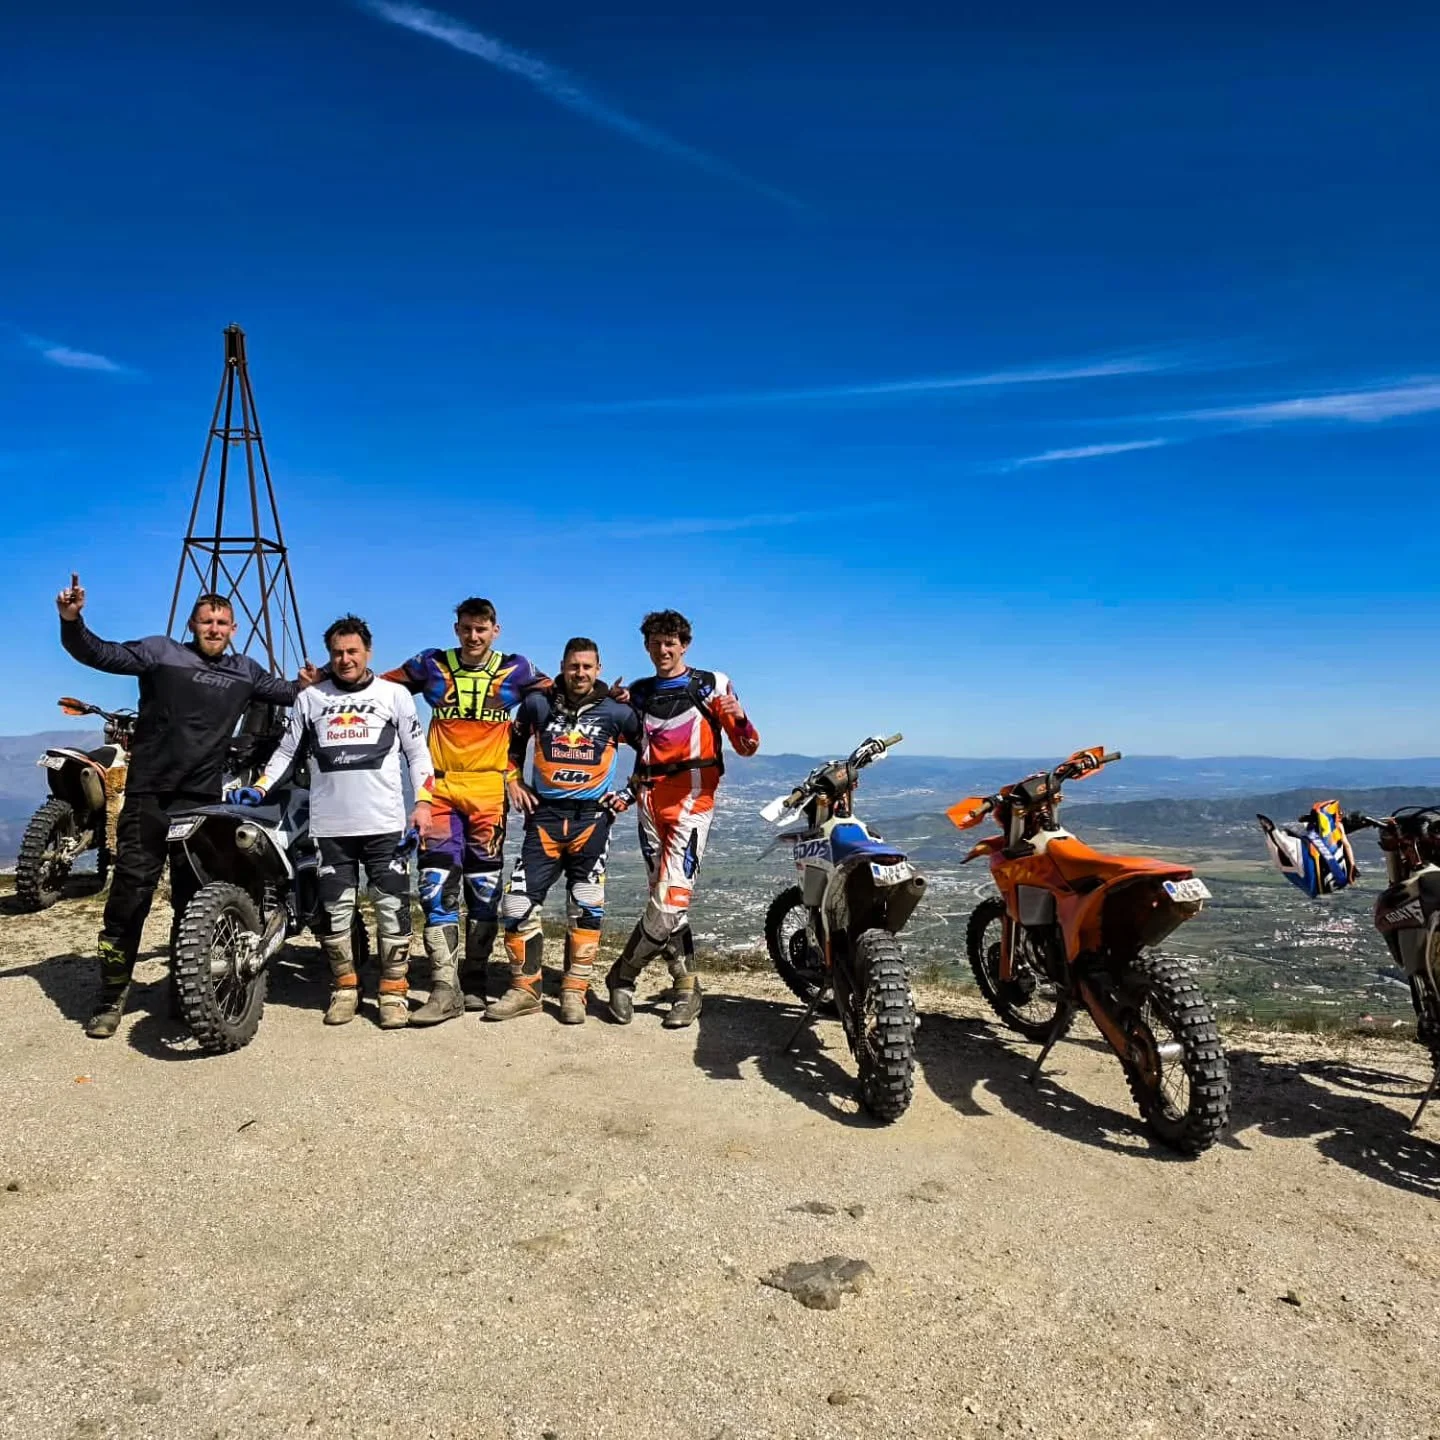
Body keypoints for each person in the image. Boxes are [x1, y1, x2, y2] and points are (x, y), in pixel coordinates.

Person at [55, 573, 316, 1038]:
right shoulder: (160, 653)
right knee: (129, 897)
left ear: (233, 629)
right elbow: (99, 653)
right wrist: (72, 621)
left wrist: (313, 682)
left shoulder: (246, 671)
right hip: (150, 797)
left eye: (223, 622)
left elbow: (296, 695)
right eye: (207, 621)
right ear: (192, 624)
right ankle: (111, 996)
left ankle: (186, 988)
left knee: (193, 899)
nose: (215, 628)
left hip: (204, 805)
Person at [238, 615, 434, 1028]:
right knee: (335, 911)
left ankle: (393, 992)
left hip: (384, 825)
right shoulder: (311, 700)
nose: (345, 660)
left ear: (368, 652)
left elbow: (418, 755)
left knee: (391, 908)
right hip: (330, 828)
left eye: (352, 652)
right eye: (337, 653)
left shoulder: (395, 695)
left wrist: (423, 804)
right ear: (330, 656)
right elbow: (285, 754)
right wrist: (259, 787)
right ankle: (344, 988)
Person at [382, 599, 546, 1021]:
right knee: (435, 884)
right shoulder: (431, 664)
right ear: (456, 629)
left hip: (490, 789)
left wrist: (615, 698)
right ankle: (443, 987)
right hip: (440, 785)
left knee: (484, 889)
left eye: (481, 629)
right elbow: (377, 686)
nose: (474, 636)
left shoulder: (518, 669)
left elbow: (562, 695)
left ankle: (474, 980)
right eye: (466, 629)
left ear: (496, 629)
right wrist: (322, 681)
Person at [605, 609, 759, 1029]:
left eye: (670, 641)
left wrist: (740, 715)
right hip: (650, 802)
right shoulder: (637, 692)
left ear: (684, 644)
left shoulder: (713, 684)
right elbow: (614, 740)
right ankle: (687, 987)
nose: (662, 649)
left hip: (694, 799)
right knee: (669, 900)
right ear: (646, 646)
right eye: (655, 642)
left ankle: (624, 973)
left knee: (670, 898)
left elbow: (747, 746)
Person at [486, 638, 641, 1025]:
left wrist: (627, 795)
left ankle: (575, 990)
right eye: (574, 666)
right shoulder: (538, 704)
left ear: (598, 668)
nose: (580, 673)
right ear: (563, 665)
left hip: (592, 819)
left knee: (586, 905)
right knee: (517, 904)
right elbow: (512, 746)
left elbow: (653, 753)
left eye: (587, 666)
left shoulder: (617, 711)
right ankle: (525, 990)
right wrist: (513, 781)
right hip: (546, 817)